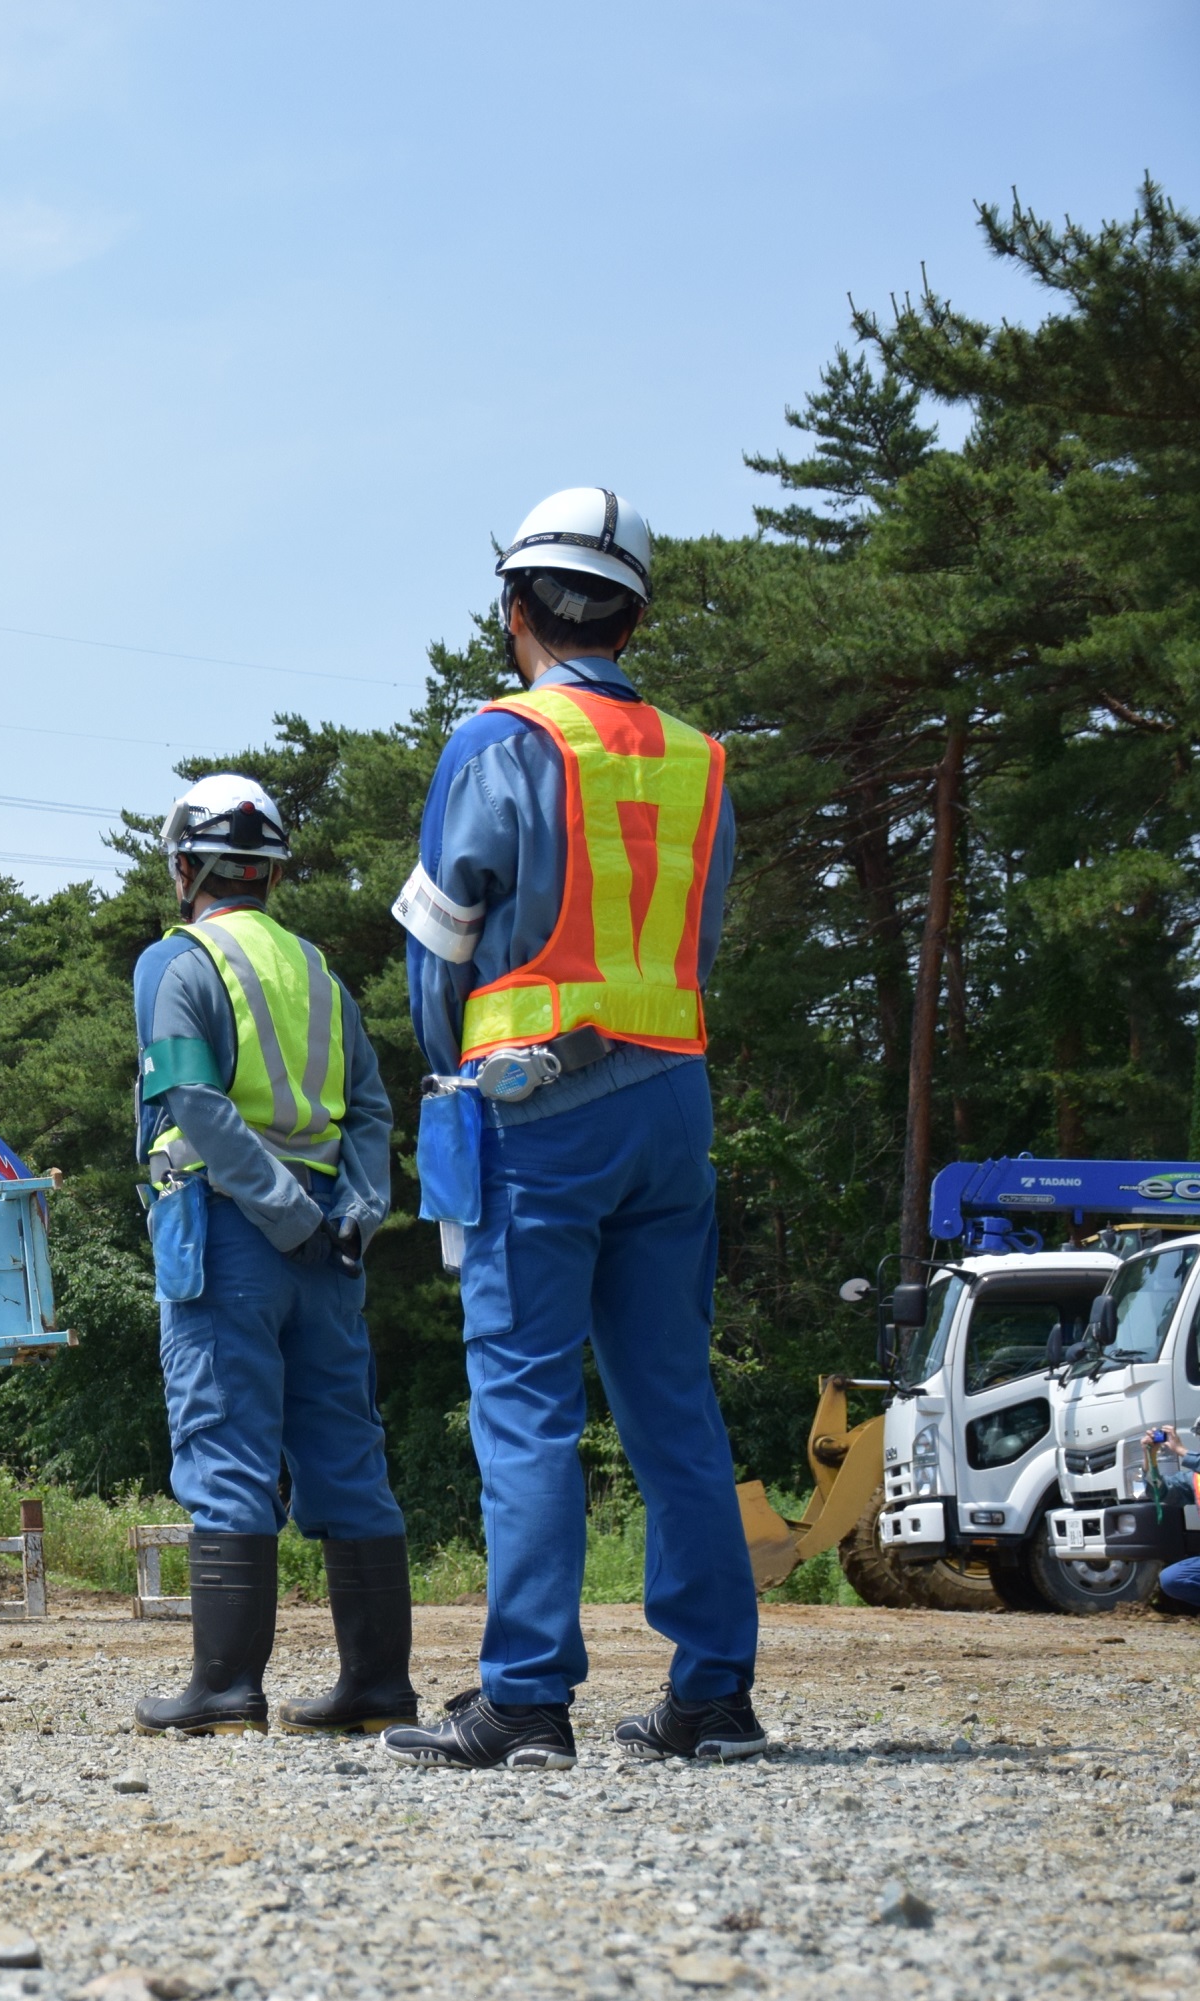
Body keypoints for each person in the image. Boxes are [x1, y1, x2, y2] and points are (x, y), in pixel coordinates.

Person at [380, 487, 763, 1771]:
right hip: (673, 1101)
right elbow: (697, 945)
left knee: (529, 1403)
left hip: (539, 1107)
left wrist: (459, 1077)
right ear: (635, 615)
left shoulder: (498, 739)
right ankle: (713, 1697)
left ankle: (528, 1698)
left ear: (516, 612)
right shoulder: (702, 759)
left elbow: (440, 949)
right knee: (671, 1405)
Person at [131, 773, 416, 1738]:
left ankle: (221, 1689)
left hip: (232, 1237)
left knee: (225, 1449)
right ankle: (377, 1688)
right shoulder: (319, 973)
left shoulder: (181, 964)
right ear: (270, 871)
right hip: (332, 1250)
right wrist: (358, 1207)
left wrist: (279, 1206)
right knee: (347, 1455)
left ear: (186, 867)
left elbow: (193, 1103)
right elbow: (371, 1108)